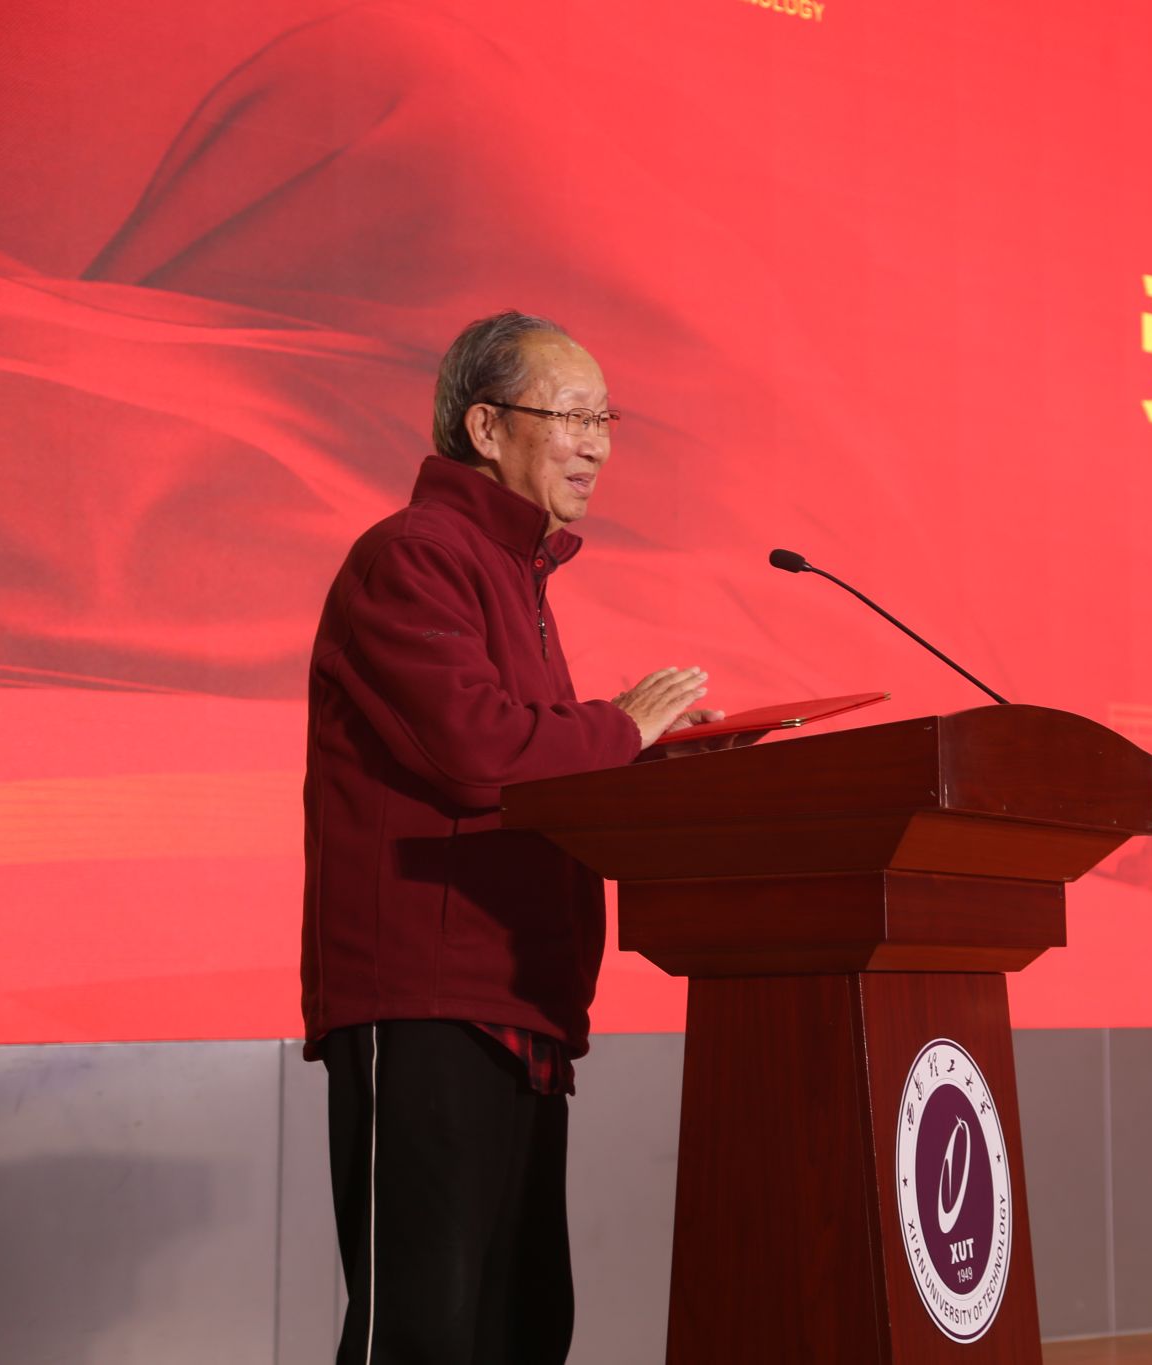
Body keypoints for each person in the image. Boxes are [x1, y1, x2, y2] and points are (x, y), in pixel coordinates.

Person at [301, 311, 724, 1363]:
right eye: (572, 416)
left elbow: (535, 769)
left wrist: (655, 761)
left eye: (605, 420)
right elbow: (476, 751)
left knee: (521, 1328)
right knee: (424, 1333)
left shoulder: (512, 572)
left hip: (518, 999)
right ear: (485, 427)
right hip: (426, 999)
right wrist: (621, 726)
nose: (597, 446)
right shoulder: (413, 556)